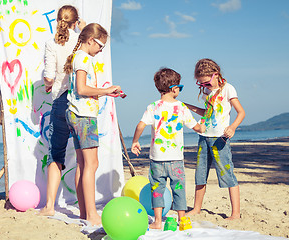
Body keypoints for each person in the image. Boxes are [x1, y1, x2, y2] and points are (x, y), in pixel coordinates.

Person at [131, 68, 205, 229]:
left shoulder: (152, 106)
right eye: (180, 87)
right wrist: (204, 125)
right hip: (176, 159)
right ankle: (182, 220)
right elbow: (197, 128)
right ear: (174, 88)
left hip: (157, 158)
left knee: (157, 189)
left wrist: (135, 141)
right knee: (178, 188)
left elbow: (140, 125)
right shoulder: (181, 107)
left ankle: (158, 221)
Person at [64, 23, 121, 226]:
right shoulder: (84, 58)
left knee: (83, 164)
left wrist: (106, 92)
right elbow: (81, 89)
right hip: (83, 116)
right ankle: (91, 214)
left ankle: (83, 211)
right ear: (90, 41)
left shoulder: (78, 57)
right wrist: (106, 91)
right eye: (100, 45)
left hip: (75, 114)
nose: (101, 50)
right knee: (92, 164)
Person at [185, 58, 245, 220]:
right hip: (203, 137)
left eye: (206, 83)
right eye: (201, 85)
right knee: (200, 174)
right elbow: (207, 113)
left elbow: (241, 112)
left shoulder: (228, 89)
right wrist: (188, 107)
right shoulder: (207, 92)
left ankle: (235, 213)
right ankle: (197, 208)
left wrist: (232, 127)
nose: (204, 87)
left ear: (216, 75)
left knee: (227, 173)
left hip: (220, 139)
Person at [40, 5, 86, 216]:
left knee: (56, 155)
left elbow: (49, 78)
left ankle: (49, 206)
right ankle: (84, 208)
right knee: (82, 156)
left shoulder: (51, 44)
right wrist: (83, 30)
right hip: (80, 102)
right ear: (75, 22)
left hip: (60, 101)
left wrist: (47, 81)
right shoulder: (82, 41)